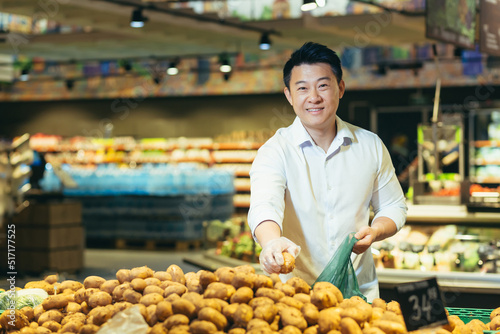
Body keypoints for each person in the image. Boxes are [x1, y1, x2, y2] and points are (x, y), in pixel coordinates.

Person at [247, 42, 407, 302]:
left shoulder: (370, 145)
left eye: (323, 85)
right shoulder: (274, 151)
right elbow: (264, 207)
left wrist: (375, 231)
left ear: (340, 88)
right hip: (296, 297)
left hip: (358, 296)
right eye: (302, 88)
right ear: (289, 95)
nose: (314, 97)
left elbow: (394, 207)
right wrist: (271, 243)